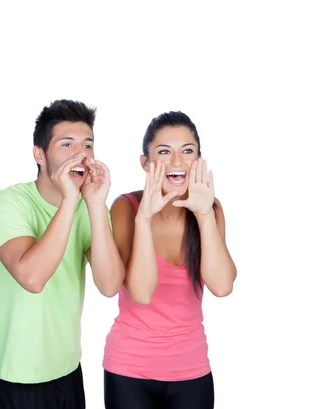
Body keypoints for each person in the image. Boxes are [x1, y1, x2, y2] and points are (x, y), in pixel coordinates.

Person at [0, 99, 125, 409]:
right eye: (67, 144)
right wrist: (70, 201)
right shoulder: (8, 203)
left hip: (69, 372)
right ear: (39, 154)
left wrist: (97, 205)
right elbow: (32, 278)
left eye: (88, 145)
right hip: (18, 379)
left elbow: (110, 285)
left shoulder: (91, 207)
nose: (82, 155)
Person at [102, 111, 237, 409]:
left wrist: (203, 215)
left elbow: (222, 285)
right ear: (145, 163)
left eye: (187, 151)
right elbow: (141, 292)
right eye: (165, 152)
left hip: (191, 368)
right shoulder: (126, 207)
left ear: (199, 160)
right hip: (128, 368)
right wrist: (145, 219)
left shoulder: (210, 208)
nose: (177, 162)